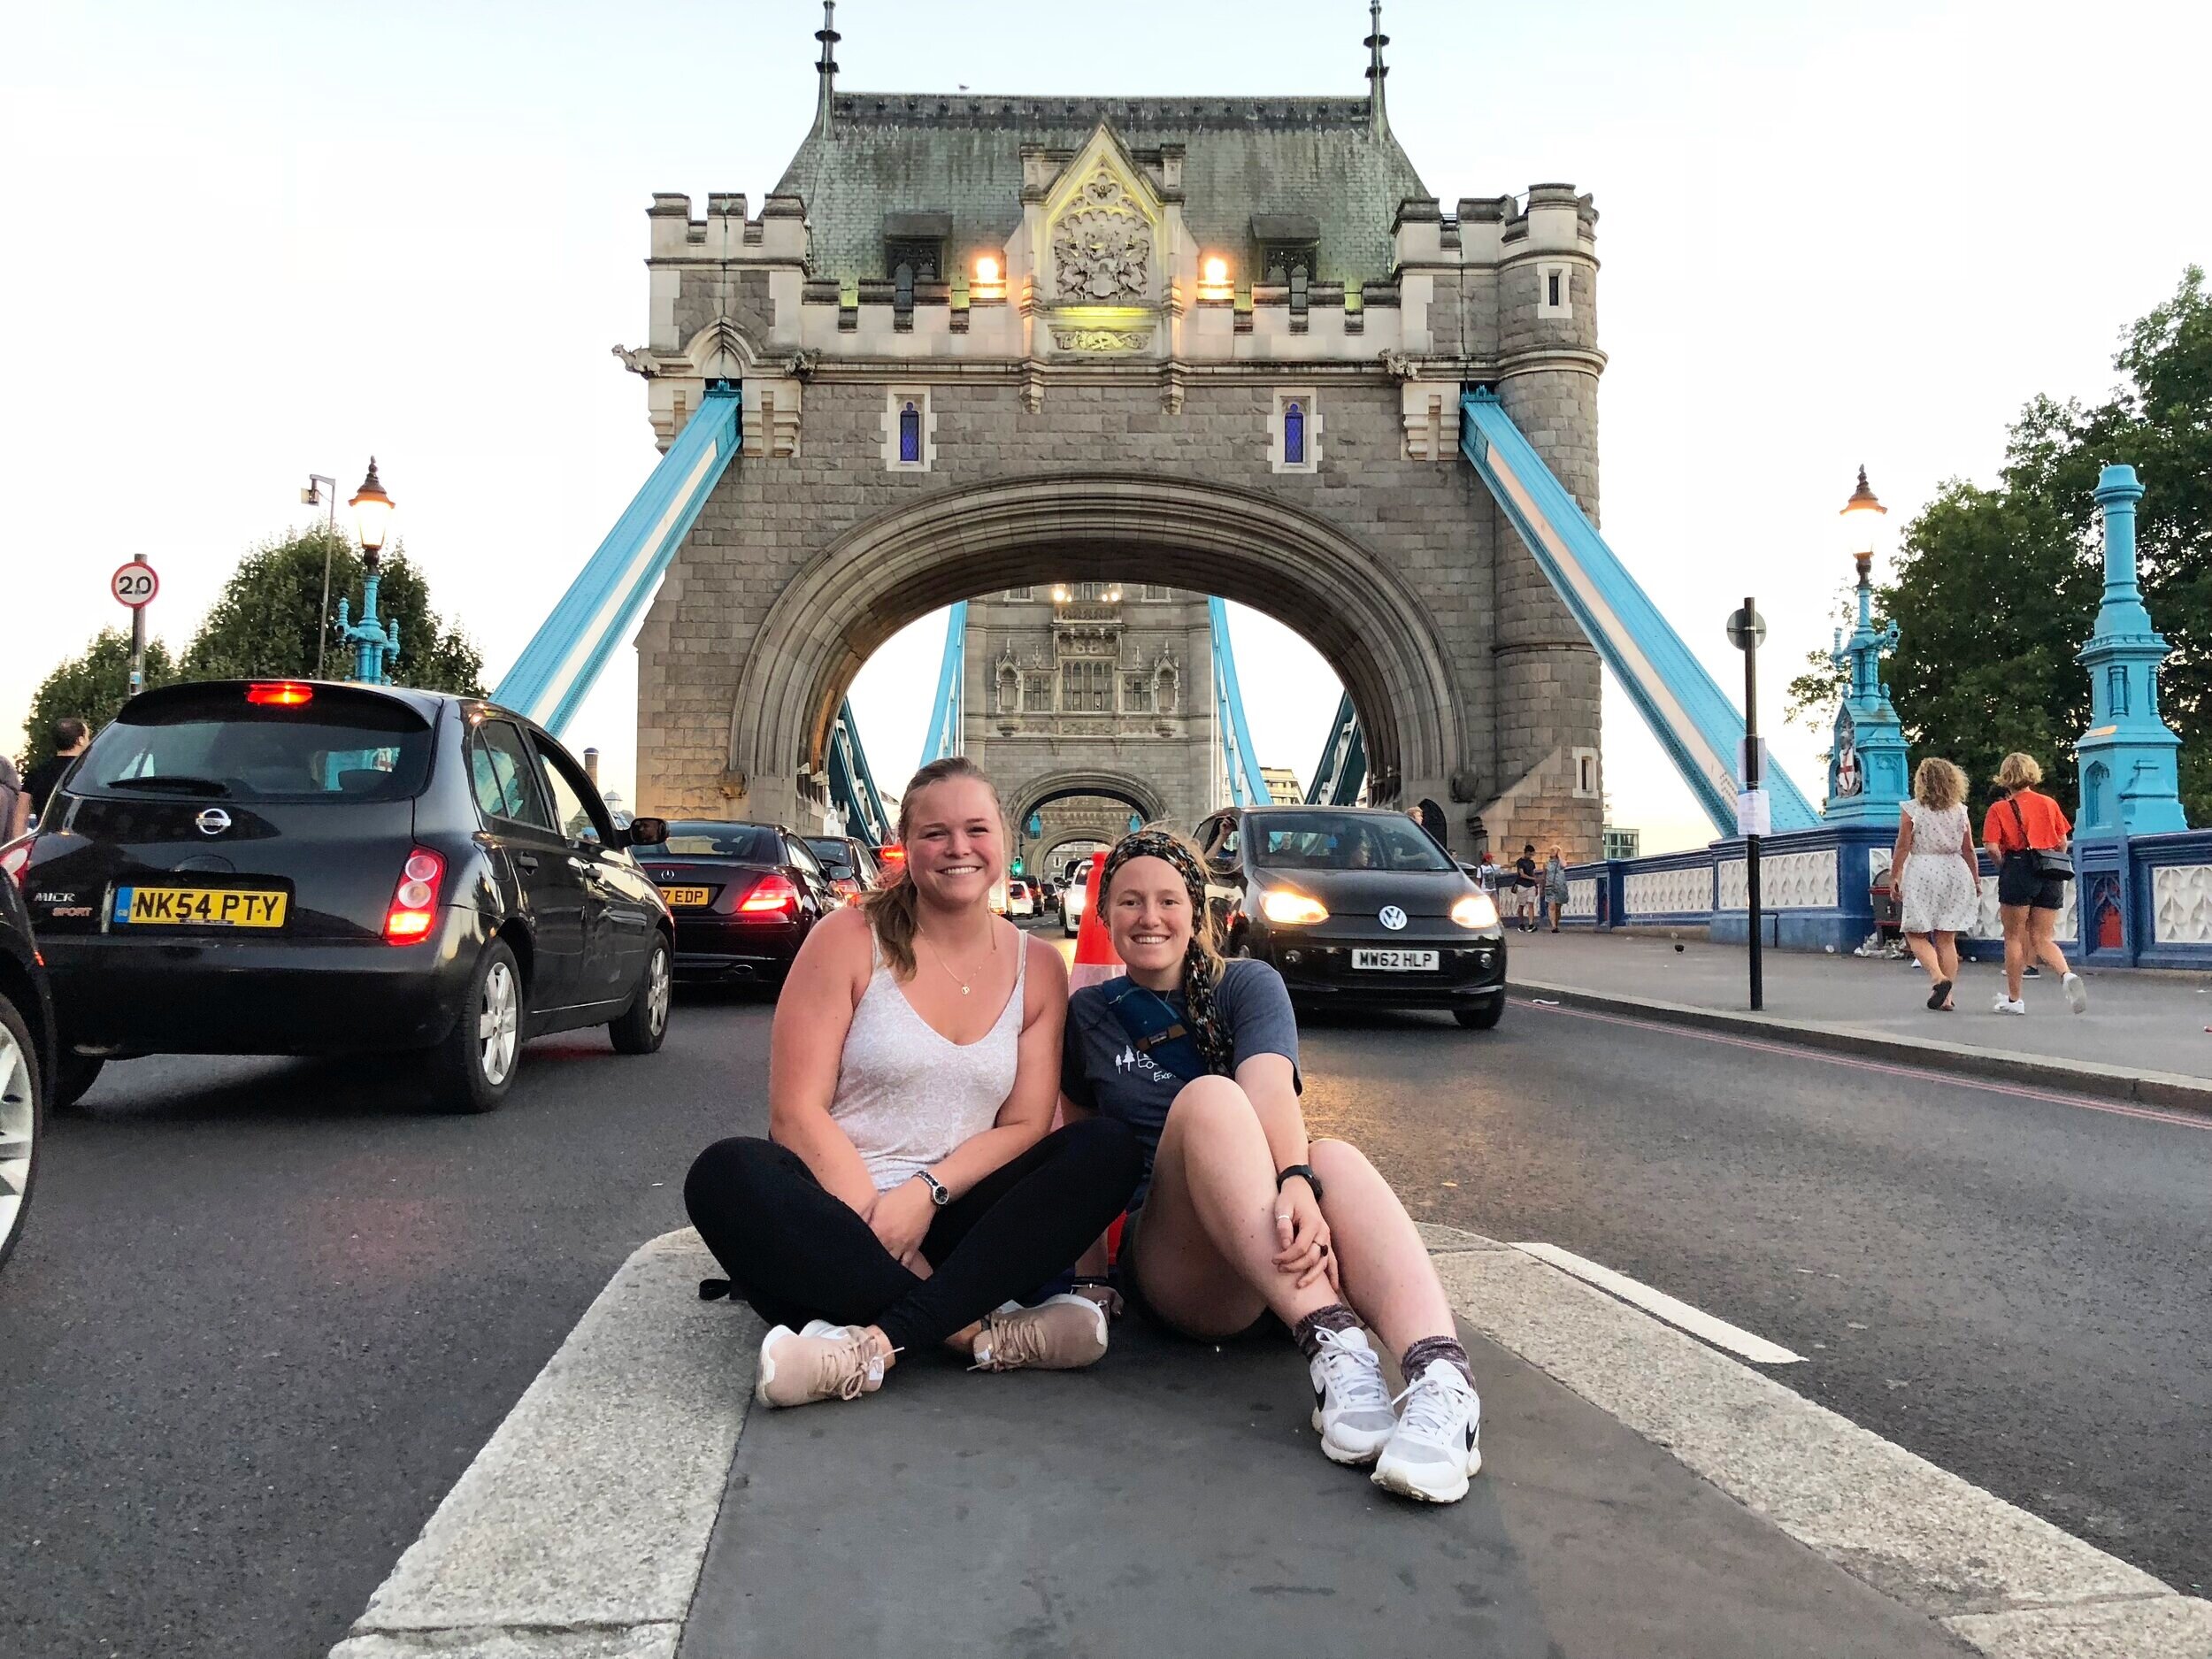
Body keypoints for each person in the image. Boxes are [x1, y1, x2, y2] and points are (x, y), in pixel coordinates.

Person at [683, 757, 1142, 1410]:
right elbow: (796, 1112)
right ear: (907, 847)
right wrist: (881, 1222)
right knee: (723, 1173)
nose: (959, 848)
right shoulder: (845, 938)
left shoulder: (1036, 964)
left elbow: (1025, 1124)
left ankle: (863, 1346)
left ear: (1005, 841)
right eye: (936, 833)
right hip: (843, 1217)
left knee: (1106, 1148)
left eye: (977, 829)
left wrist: (927, 1193)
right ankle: (978, 1333)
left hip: (967, 1215)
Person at [1062, 829, 1484, 1504]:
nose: (1149, 917)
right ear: (1104, 915)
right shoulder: (1089, 1012)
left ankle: (1441, 1384)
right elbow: (1078, 1156)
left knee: (1332, 1157)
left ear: (1197, 911)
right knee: (1208, 1100)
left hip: (1283, 1240)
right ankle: (1334, 1342)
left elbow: (1269, 1087)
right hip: (1188, 1271)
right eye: (1130, 901)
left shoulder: (1249, 983)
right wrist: (1087, 1282)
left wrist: (1296, 1180)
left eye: (1168, 899)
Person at [1979, 752, 2084, 1016]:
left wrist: (2006, 865)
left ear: (2005, 777)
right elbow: (2062, 843)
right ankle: (2067, 975)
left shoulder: (1999, 809)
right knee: (2043, 937)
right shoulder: (2049, 803)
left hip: (2017, 867)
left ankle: (2015, 1001)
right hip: (2049, 869)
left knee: (2014, 937)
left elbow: (1991, 847)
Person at [1893, 758, 1981, 1011]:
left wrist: (1896, 874)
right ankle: (1947, 997)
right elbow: (1969, 849)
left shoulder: (1913, 809)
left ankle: (1937, 978)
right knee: (1947, 938)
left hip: (1923, 870)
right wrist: (1975, 879)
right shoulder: (1960, 810)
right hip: (1955, 871)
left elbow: (1903, 845)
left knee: (1915, 934)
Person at [23, 718, 88, 824]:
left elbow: (21, 812)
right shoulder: (89, 771)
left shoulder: (37, 773)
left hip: (47, 837)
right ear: (80, 740)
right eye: (87, 737)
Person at [1512, 843, 1540, 933]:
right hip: (1522, 885)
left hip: (1531, 885)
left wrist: (1535, 885)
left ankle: (1531, 924)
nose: (1531, 856)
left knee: (1531, 904)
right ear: (1526, 853)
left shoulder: (1532, 863)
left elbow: (1533, 873)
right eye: (1530, 854)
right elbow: (1522, 874)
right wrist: (1533, 879)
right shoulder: (1520, 862)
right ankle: (1521, 924)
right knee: (1522, 905)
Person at [1542, 846, 1569, 933]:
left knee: (1558, 907)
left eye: (1554, 850)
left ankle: (1556, 924)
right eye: (1551, 850)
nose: (1552, 852)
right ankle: (1553, 926)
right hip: (1550, 886)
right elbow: (1544, 876)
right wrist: (1542, 887)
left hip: (1560, 886)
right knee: (1552, 906)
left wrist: (1560, 855)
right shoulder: (1546, 863)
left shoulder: (1561, 862)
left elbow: (1564, 865)